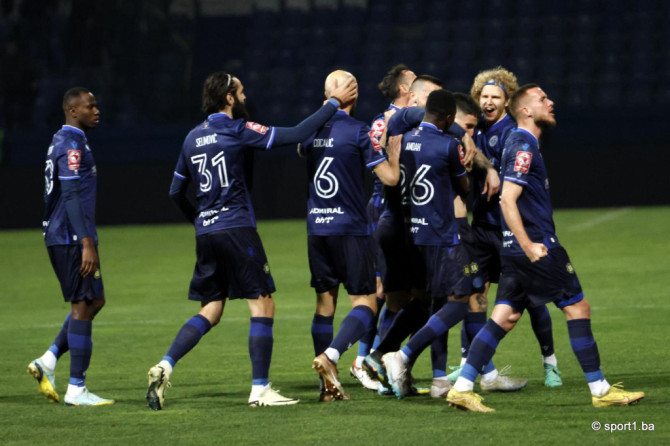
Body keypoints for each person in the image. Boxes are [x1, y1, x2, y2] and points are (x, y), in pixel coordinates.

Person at [145, 71, 358, 410]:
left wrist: (199, 220)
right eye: (241, 92)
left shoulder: (191, 137)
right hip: (236, 228)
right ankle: (260, 389)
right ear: (229, 98)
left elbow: (175, 191)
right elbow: (296, 134)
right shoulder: (237, 129)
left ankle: (165, 365)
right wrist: (333, 103)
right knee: (263, 304)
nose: (245, 98)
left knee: (211, 309)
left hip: (206, 232)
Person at [446, 84, 645, 412]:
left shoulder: (520, 142)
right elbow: (507, 199)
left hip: (514, 250)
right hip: (537, 246)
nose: (550, 103)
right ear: (525, 110)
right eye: (542, 99)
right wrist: (528, 245)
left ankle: (462, 387)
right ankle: (600, 389)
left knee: (504, 317)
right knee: (578, 308)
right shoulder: (523, 144)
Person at [447, 67, 559, 390]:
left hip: (509, 229)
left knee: (533, 299)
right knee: (475, 295)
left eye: (495, 96)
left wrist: (489, 167)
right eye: (484, 96)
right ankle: (470, 363)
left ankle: (550, 362)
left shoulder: (513, 132)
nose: (488, 101)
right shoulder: (474, 128)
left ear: (507, 101)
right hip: (482, 227)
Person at [300, 70, 400, 402]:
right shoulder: (359, 131)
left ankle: (326, 387)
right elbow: (389, 178)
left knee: (324, 304)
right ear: (353, 97)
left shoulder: (309, 133)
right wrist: (395, 147)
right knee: (366, 303)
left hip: (317, 228)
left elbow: (303, 148)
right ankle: (331, 356)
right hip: (350, 229)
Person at [380, 89, 484, 399]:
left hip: (415, 233)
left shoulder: (405, 138)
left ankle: (433, 377)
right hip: (442, 233)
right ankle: (402, 356)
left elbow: (398, 121)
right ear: (450, 118)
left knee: (434, 303)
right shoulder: (448, 145)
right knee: (459, 302)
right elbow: (463, 185)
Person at [27, 87, 114, 406]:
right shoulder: (70, 143)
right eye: (90, 106)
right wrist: (86, 242)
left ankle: (47, 361)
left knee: (95, 300)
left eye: (97, 105)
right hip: (69, 236)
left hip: (69, 234)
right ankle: (77, 389)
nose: (96, 110)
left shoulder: (65, 140)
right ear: (73, 110)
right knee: (82, 305)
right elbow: (70, 195)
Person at [350, 64, 416, 391]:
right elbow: (384, 166)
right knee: (382, 290)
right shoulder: (383, 122)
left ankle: (383, 359)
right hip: (384, 209)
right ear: (404, 89)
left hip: (407, 211)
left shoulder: (411, 120)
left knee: (402, 293)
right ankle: (364, 361)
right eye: (415, 82)